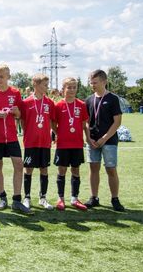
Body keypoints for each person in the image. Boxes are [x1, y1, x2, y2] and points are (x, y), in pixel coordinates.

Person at [0, 64, 30, 213]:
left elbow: (20, 115)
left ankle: (16, 200)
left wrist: (16, 113)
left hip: (11, 137)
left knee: (19, 165)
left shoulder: (15, 93)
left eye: (2, 77)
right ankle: (2, 197)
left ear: (8, 77)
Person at [84, 69, 125, 211]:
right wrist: (88, 137)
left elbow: (117, 122)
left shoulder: (113, 99)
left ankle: (115, 199)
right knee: (93, 168)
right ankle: (94, 197)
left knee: (111, 169)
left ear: (104, 82)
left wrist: (104, 138)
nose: (92, 85)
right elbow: (86, 122)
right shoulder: (88, 100)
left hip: (109, 140)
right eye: (91, 83)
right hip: (92, 141)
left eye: (95, 83)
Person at [52, 77, 89, 211]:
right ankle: (60, 198)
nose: (72, 90)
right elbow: (53, 123)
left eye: (74, 87)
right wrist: (59, 133)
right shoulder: (58, 105)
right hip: (62, 144)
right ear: (63, 89)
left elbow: (84, 124)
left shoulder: (81, 105)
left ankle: (74, 198)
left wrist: (87, 138)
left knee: (76, 170)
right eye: (69, 87)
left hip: (77, 144)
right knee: (62, 170)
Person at [20, 73, 55, 211]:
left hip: (45, 142)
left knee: (44, 169)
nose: (47, 87)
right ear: (35, 84)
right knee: (28, 169)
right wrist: (29, 133)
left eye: (47, 84)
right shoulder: (26, 102)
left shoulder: (49, 103)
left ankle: (43, 198)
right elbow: (23, 122)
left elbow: (51, 121)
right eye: (45, 85)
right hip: (30, 142)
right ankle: (27, 197)